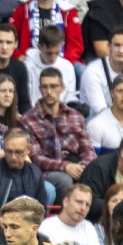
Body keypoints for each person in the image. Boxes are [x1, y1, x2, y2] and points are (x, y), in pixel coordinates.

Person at [21, 68, 95, 201]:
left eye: (53, 86)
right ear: (40, 89)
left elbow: (87, 149)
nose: (49, 91)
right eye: (45, 87)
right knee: (64, 180)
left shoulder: (76, 116)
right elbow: (36, 158)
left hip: (76, 164)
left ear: (62, 87)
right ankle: (65, 213)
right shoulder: (28, 119)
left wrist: (84, 166)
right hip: (46, 171)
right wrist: (65, 166)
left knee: (94, 174)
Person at [0, 130, 51, 238]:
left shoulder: (35, 173)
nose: (13, 157)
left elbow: (42, 208)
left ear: (28, 150)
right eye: (9, 151)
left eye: (18, 152)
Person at [10, 0, 82, 65]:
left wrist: (64, 63)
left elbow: (75, 44)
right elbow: (8, 37)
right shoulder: (22, 10)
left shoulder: (68, 11)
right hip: (30, 61)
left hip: (62, 60)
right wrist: (18, 56)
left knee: (82, 70)